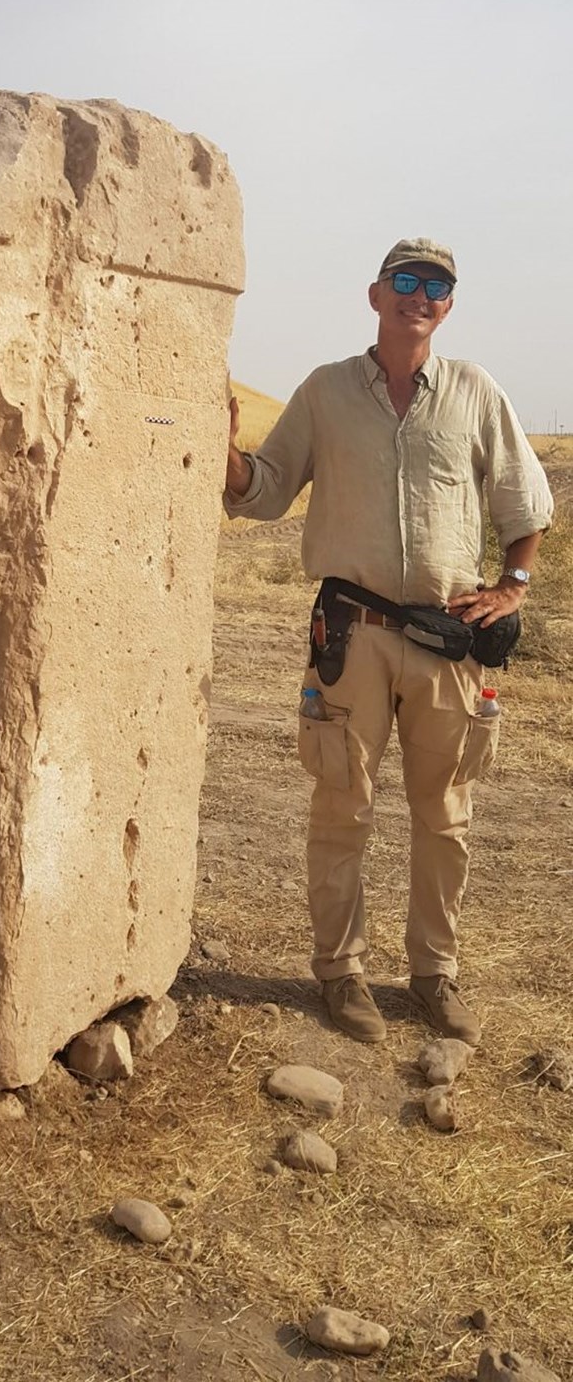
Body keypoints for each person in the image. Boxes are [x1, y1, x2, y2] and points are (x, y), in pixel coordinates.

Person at [224, 239, 553, 1045]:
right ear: (376, 294)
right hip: (353, 636)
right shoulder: (326, 392)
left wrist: (513, 588)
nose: (420, 294)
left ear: (449, 304)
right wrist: (220, 448)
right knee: (344, 807)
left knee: (447, 817)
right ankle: (340, 974)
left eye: (436, 285)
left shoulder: (475, 393)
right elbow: (263, 493)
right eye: (405, 281)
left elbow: (525, 506)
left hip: (450, 641)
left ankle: (434, 975)